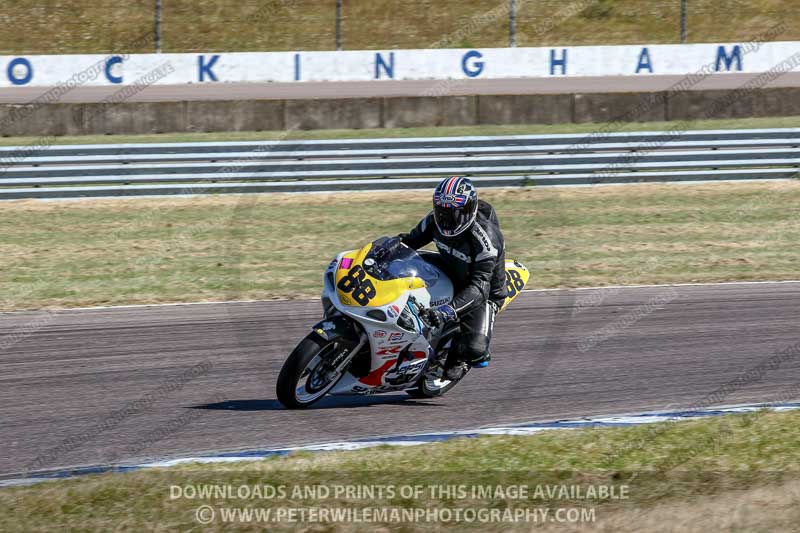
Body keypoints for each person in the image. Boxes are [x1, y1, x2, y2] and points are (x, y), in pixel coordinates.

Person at [400, 176, 506, 379]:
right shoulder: (433, 220)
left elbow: (480, 287)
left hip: (482, 290)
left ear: (469, 210)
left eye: (456, 213)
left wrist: (447, 311)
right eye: (442, 211)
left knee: (474, 350)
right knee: (402, 265)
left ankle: (462, 353)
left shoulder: (486, 240)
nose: (448, 218)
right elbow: (408, 243)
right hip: (449, 268)